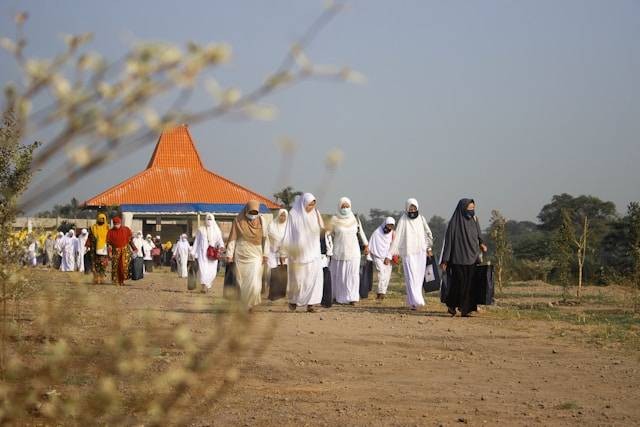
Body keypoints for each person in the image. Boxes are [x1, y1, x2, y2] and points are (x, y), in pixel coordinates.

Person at [440, 198, 488, 317]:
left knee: (470, 284)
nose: (472, 211)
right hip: (457, 258)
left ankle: (465, 309)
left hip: (472, 256)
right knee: (458, 283)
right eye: (469, 208)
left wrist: (482, 243)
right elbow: (449, 242)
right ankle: (451, 305)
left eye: (473, 208)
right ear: (462, 209)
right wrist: (445, 259)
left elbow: (478, 234)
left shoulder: (474, 219)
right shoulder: (454, 223)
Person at [281, 193, 324, 313]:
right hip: (297, 254)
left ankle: (311, 304)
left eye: (313, 204)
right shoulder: (293, 215)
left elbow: (321, 229)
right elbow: (288, 234)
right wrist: (284, 252)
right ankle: (293, 302)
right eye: (309, 205)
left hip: (314, 252)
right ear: (303, 203)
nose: (311, 207)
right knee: (298, 280)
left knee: (313, 279)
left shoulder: (316, 213)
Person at [388, 198, 433, 310]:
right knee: (411, 277)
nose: (412, 210)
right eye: (410, 208)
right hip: (408, 253)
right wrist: (392, 254)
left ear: (417, 208)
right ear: (406, 208)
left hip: (420, 252)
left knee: (418, 277)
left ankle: (413, 301)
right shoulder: (403, 220)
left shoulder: (421, 219)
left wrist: (428, 248)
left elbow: (428, 234)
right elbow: (397, 237)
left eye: (414, 208)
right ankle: (416, 301)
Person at [226, 201, 269, 311]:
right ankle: (245, 305)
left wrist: (266, 254)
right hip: (241, 254)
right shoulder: (238, 221)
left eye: (255, 212)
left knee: (254, 282)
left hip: (255, 254)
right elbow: (232, 239)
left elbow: (266, 238)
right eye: (251, 211)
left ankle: (250, 303)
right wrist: (229, 255)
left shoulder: (262, 221)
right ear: (246, 210)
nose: (253, 214)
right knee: (242, 282)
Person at [329, 197, 368, 305]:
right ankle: (337, 297)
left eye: (347, 206)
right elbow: (329, 234)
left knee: (353, 275)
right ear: (339, 206)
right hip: (338, 252)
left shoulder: (354, 218)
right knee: (339, 275)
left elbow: (361, 233)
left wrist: (366, 245)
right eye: (343, 206)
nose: (345, 208)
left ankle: (352, 298)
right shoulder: (334, 219)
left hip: (353, 252)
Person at [192, 213, 224, 292]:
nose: (209, 221)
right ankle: (203, 287)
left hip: (213, 254)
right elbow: (197, 241)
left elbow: (220, 241)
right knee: (203, 270)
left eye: (210, 219)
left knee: (212, 271)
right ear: (205, 220)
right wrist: (193, 252)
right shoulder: (201, 229)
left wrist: (221, 247)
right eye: (208, 219)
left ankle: (207, 284)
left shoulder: (217, 231)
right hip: (202, 253)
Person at [368, 217, 396, 300]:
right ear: (385, 224)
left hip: (388, 257)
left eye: (391, 226)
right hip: (377, 256)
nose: (389, 227)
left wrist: (388, 257)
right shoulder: (377, 232)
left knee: (387, 276)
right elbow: (371, 244)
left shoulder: (392, 234)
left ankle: (382, 293)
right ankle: (380, 292)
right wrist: (369, 255)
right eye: (388, 225)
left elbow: (393, 246)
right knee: (381, 273)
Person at [107, 217, 137, 286]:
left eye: (118, 224)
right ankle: (116, 280)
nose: (116, 225)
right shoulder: (110, 232)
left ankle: (122, 280)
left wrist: (134, 248)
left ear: (120, 223)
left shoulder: (126, 230)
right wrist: (109, 252)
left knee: (123, 267)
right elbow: (108, 244)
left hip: (125, 252)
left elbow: (130, 241)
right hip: (115, 252)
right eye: (115, 224)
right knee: (116, 266)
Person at [87, 213, 110, 284]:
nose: (101, 220)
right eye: (100, 219)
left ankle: (102, 279)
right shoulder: (93, 227)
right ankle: (96, 279)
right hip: (94, 249)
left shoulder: (107, 228)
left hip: (104, 249)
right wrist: (88, 246)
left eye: (103, 219)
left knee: (103, 265)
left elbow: (110, 238)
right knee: (95, 264)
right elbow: (89, 238)